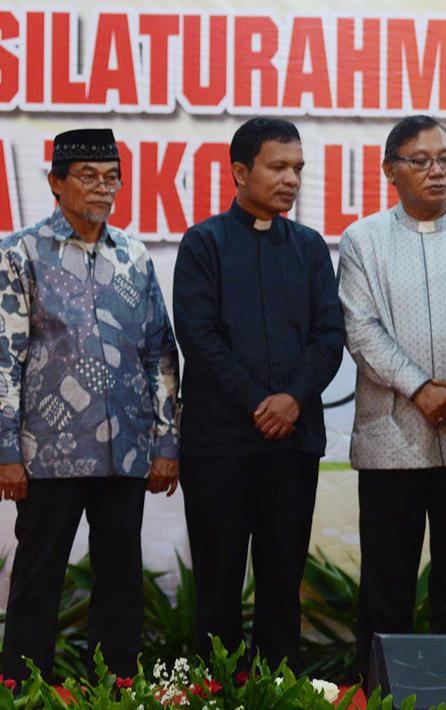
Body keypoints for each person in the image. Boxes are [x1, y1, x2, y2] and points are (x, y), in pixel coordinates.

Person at [0, 129, 180, 680]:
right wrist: (7, 449)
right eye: (87, 177)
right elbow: (6, 356)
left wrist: (166, 441)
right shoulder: (21, 252)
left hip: (125, 451)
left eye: (111, 178)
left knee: (121, 579)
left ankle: (115, 685)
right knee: (38, 578)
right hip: (47, 451)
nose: (103, 189)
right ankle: (22, 688)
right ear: (56, 183)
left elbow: (160, 353)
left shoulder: (133, 255)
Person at [172, 118, 345, 670]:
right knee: (218, 585)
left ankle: (279, 689)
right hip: (220, 444)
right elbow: (198, 338)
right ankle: (215, 694)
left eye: (297, 168)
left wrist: (292, 399)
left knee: (282, 583)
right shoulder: (204, 243)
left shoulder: (311, 247)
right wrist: (258, 402)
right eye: (278, 167)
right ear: (241, 171)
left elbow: (329, 336)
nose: (290, 178)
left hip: (291, 445)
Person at [338, 115, 446, 680]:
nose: (437, 171)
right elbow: (361, 331)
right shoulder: (363, 239)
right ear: (391, 170)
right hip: (392, 440)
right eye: (420, 160)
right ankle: (384, 694)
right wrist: (419, 387)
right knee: (388, 586)